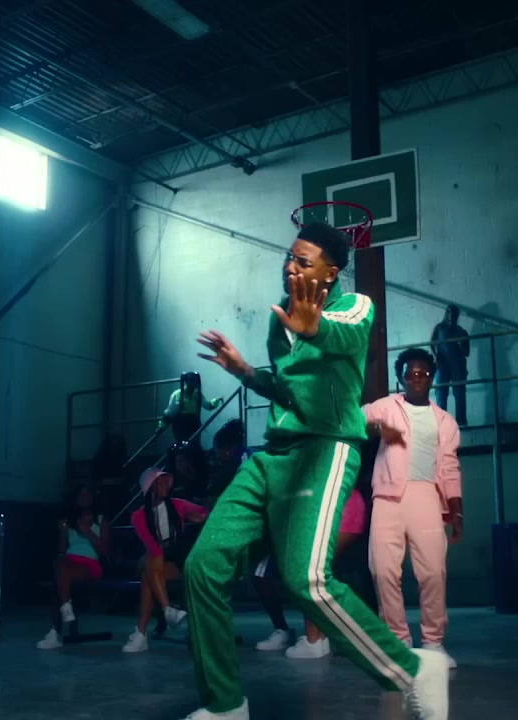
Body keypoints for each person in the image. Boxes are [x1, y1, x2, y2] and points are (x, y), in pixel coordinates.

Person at [190, 221, 449, 720]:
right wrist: (245, 372)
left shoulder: (355, 306)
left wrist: (314, 328)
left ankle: (413, 671)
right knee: (203, 566)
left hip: (325, 450)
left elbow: (345, 335)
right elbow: (288, 389)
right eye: (289, 257)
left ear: (330, 273)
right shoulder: (279, 318)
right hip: (274, 455)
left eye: (303, 261)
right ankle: (224, 706)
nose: (291, 266)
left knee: (305, 579)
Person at [362, 348, 462, 669]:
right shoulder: (386, 406)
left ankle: (433, 643)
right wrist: (374, 429)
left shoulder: (445, 421)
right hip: (387, 498)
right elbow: (355, 420)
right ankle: (398, 641)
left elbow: (449, 467)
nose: (417, 378)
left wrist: (456, 508)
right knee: (382, 570)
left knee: (433, 571)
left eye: (423, 373)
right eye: (410, 373)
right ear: (401, 378)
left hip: (426, 497)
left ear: (431, 378)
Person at [123, 468, 209, 653]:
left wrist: (199, 517)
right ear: (150, 487)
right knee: (150, 566)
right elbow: (151, 545)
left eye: (165, 482)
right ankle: (167, 611)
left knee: (148, 568)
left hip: (179, 558)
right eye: (159, 482)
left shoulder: (178, 504)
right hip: (158, 560)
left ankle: (142, 632)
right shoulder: (138, 516)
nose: (165, 485)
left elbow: (205, 512)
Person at [281, 487, 370, 659]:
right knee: (318, 574)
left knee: (308, 574)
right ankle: (319, 639)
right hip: (349, 506)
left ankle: (313, 641)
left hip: (332, 510)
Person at [37, 484, 111, 650]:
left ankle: (59, 622)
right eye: (81, 495)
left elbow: (104, 552)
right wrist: (63, 533)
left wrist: (88, 532)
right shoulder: (69, 522)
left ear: (93, 498)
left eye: (87, 495)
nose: (84, 498)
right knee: (61, 565)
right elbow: (62, 550)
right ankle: (58, 625)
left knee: (60, 575)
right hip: (68, 562)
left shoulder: (101, 520)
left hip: (90, 563)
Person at [429, 305, 469, 426]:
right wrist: (436, 357)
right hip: (443, 365)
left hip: (457, 365)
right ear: (446, 313)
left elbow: (466, 352)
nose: (451, 315)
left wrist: (461, 343)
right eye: (449, 312)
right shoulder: (439, 328)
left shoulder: (462, 332)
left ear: (457, 315)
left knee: (459, 393)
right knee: (441, 393)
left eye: (454, 313)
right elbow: (431, 343)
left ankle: (461, 422)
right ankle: (442, 423)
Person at [161, 371, 224, 443]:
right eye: (191, 382)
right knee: (182, 444)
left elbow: (208, 406)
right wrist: (162, 424)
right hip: (181, 424)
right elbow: (169, 412)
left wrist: (216, 401)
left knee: (193, 444)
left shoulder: (197, 394)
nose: (192, 385)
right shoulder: (177, 394)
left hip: (193, 424)